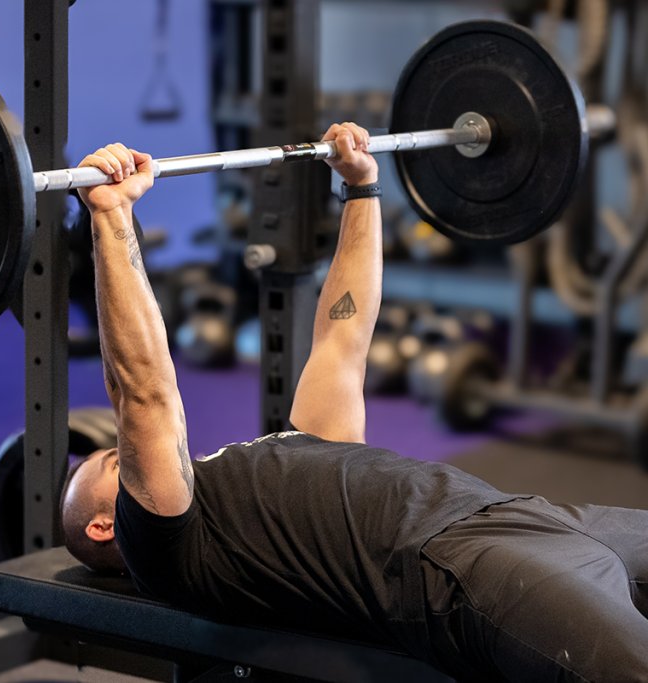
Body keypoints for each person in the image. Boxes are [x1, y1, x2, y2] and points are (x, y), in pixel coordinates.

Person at [60, 126, 648, 682]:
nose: (132, 456)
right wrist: (111, 217)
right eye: (118, 462)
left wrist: (361, 186)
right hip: (462, 566)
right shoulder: (170, 550)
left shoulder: (295, 449)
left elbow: (344, 340)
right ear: (107, 524)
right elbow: (143, 392)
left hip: (527, 515)